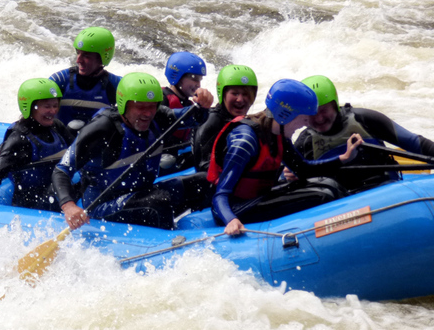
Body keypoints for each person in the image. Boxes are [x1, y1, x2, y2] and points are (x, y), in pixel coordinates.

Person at [53, 72, 213, 231]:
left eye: (152, 106)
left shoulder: (158, 117)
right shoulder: (102, 129)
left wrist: (204, 103)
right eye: (140, 107)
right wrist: (69, 206)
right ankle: (169, 242)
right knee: (159, 201)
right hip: (102, 206)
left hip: (143, 193)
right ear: (123, 104)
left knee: (206, 181)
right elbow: (61, 171)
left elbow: (195, 118)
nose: (148, 113)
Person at [208, 79, 363, 236]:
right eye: (304, 118)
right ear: (287, 115)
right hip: (236, 209)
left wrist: (343, 158)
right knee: (323, 195)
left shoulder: (277, 133)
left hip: (259, 198)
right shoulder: (245, 141)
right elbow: (220, 195)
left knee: (329, 184)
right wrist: (231, 220)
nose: (306, 124)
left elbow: (304, 170)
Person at [0, 78, 76, 221]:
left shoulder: (56, 126)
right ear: (30, 107)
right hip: (34, 202)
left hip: (58, 190)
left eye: (55, 106)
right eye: (47, 107)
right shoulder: (19, 140)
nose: (53, 111)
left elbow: (78, 153)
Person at [293, 75, 434, 190]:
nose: (319, 118)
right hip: (338, 207)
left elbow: (415, 143)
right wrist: (291, 177)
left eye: (324, 110)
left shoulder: (365, 120)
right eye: (313, 113)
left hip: (386, 190)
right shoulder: (304, 143)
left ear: (335, 105)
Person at [181, 64, 258, 210]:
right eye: (235, 93)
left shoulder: (248, 121)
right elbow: (204, 168)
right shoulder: (211, 121)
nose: (240, 99)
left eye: (246, 94)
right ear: (222, 94)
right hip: (214, 197)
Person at [49, 27, 122, 129]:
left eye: (86, 56)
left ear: (102, 58)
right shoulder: (59, 80)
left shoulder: (116, 85)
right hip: (63, 141)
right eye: (78, 53)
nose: (78, 60)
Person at [161, 51, 211, 172]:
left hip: (180, 154)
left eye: (200, 79)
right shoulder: (162, 98)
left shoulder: (191, 104)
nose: (198, 84)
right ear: (177, 77)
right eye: (194, 78)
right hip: (163, 158)